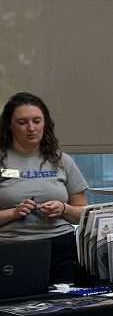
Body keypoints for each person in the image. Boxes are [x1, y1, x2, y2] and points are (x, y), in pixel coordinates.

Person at [0, 92, 88, 283]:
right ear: (9, 124)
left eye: (37, 121)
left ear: (45, 123)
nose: (31, 128)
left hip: (59, 247)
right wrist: (14, 213)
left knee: (63, 307)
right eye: (22, 122)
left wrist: (63, 208)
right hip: (10, 249)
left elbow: (83, 214)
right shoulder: (2, 161)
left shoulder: (61, 160)